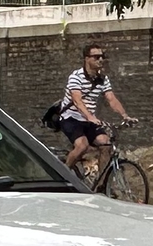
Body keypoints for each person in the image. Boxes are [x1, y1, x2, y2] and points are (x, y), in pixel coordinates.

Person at [52, 45, 129, 181]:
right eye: (96, 57)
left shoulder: (103, 79)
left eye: (102, 57)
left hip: (89, 120)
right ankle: (62, 175)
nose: (101, 60)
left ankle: (102, 184)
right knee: (82, 145)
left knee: (105, 144)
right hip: (71, 118)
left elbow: (111, 98)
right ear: (87, 59)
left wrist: (125, 116)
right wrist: (90, 117)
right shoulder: (76, 77)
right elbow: (77, 101)